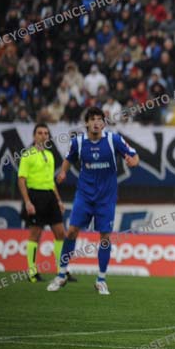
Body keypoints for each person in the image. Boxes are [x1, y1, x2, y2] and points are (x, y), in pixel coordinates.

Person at [47, 107, 140, 295]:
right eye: (92, 119)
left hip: (106, 198)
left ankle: (101, 280)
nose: (96, 122)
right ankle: (62, 274)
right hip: (84, 195)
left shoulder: (113, 140)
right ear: (87, 123)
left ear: (104, 123)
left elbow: (134, 154)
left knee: (105, 237)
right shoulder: (78, 142)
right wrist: (63, 171)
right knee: (71, 231)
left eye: (99, 119)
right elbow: (69, 158)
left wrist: (134, 162)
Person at [17, 124, 67, 283]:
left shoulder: (49, 155)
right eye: (40, 133)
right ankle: (32, 272)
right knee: (35, 234)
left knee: (60, 233)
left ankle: (61, 271)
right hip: (35, 196)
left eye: (46, 133)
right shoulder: (27, 155)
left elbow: (51, 181)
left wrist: (58, 200)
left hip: (50, 196)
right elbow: (21, 180)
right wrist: (27, 202)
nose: (43, 136)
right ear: (34, 136)